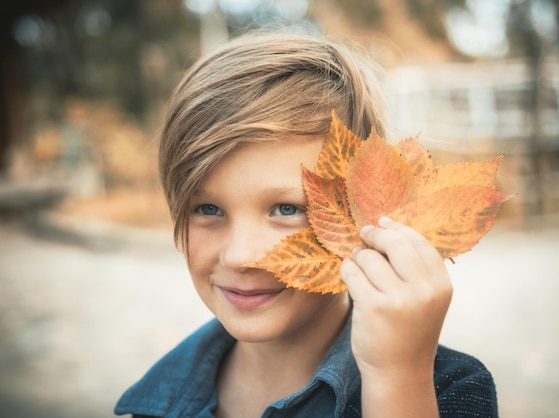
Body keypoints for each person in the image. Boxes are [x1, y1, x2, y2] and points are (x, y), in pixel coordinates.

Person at [114, 31, 498, 418]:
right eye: (209, 210)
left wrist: (396, 377)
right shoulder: (155, 403)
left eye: (286, 209)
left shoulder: (449, 390)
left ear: (365, 212)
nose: (241, 255)